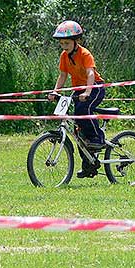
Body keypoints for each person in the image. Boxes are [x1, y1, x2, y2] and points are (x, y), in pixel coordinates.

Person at [48, 20, 105, 178]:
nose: (64, 46)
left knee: (83, 109)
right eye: (61, 43)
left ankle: (98, 137)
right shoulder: (64, 56)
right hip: (78, 90)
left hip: (95, 87)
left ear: (77, 41)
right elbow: (62, 76)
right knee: (78, 130)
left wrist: (87, 92)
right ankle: (89, 165)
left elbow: (90, 74)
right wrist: (55, 92)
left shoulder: (85, 54)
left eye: (67, 43)